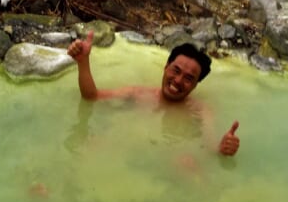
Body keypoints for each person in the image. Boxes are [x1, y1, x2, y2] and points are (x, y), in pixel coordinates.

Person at [67, 31, 240, 156]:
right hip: (128, 155)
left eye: (188, 78)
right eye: (175, 70)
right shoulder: (138, 94)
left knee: (186, 163)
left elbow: (211, 146)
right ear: (166, 67)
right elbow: (92, 97)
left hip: (167, 165)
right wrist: (83, 62)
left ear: (195, 85)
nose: (178, 80)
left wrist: (224, 148)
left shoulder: (200, 111)